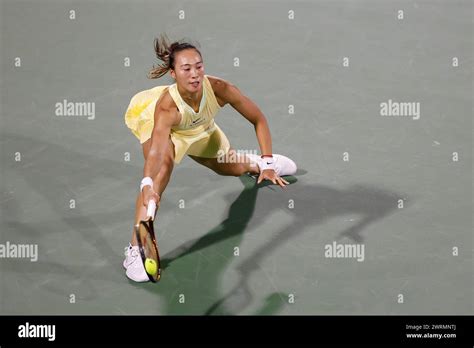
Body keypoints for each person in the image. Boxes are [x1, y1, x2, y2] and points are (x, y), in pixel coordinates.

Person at [123, 35, 297, 282]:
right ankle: (134, 251)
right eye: (186, 69)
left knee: (232, 167)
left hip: (199, 128)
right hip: (165, 130)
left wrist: (268, 164)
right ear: (173, 73)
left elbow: (258, 118)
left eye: (199, 66)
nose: (194, 74)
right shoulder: (166, 108)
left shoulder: (219, 88)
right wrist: (147, 185)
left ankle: (256, 164)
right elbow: (157, 151)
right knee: (161, 173)